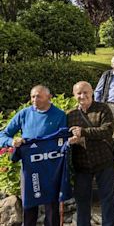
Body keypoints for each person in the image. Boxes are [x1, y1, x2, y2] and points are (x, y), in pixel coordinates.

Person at [0, 85, 66, 226]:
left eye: (39, 96)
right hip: (30, 169)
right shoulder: (24, 114)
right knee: (29, 207)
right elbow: (2, 135)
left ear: (49, 98)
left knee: (52, 208)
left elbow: (63, 140)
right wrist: (12, 141)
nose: (34, 99)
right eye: (32, 96)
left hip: (51, 169)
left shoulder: (59, 115)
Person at [67, 81, 114, 226]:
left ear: (92, 92)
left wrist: (84, 132)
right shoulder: (70, 115)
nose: (82, 96)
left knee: (107, 199)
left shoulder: (103, 109)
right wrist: (71, 140)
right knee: (82, 201)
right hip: (81, 164)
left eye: (85, 92)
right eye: (79, 93)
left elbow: (107, 131)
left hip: (103, 161)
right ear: (74, 95)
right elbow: (64, 137)